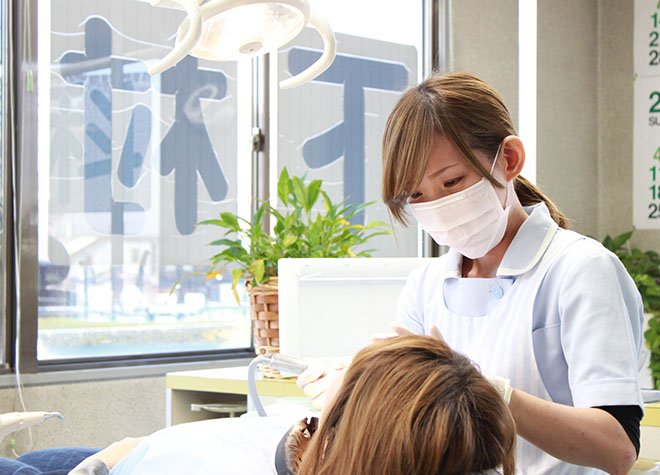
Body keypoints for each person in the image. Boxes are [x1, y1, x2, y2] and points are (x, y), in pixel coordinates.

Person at [377, 72, 643, 474]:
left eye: (452, 181)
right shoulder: (425, 286)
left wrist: (486, 391)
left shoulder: (580, 270)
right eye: (416, 195)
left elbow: (616, 447)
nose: (438, 206)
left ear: (509, 160)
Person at [0, 336, 516, 475]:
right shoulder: (322, 442)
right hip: (133, 454)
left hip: (118, 465)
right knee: (37, 459)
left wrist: (107, 463)